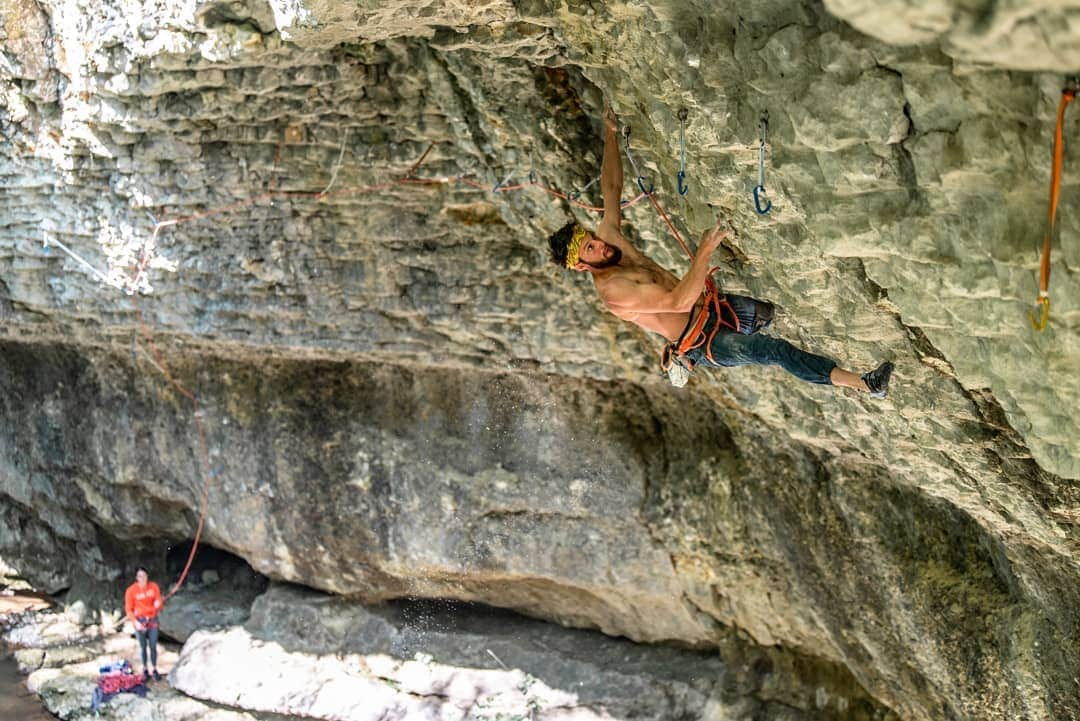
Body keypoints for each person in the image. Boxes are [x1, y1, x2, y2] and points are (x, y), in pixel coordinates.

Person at [547, 104, 894, 397]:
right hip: (703, 340)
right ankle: (864, 384)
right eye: (591, 249)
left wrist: (609, 133)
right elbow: (676, 303)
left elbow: (611, 187)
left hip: (716, 307)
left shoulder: (609, 239)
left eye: (592, 239)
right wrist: (705, 250)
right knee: (774, 350)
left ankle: (811, 355)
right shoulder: (614, 292)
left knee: (772, 312)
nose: (601, 244)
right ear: (582, 266)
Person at [124, 567, 163, 681]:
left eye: (144, 576)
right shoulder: (131, 591)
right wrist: (135, 622)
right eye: (140, 576)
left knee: (153, 645)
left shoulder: (153, 587)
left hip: (152, 619)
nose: (143, 578)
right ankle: (145, 669)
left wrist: (158, 603)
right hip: (139, 621)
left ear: (147, 576)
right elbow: (128, 609)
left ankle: (154, 669)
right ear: (137, 578)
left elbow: (158, 601)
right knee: (142, 646)